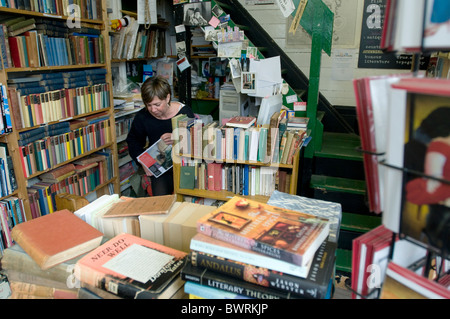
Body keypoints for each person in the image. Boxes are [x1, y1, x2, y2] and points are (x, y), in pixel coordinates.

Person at [126, 76, 195, 196]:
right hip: (160, 167)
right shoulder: (143, 116)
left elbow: (197, 142)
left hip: (185, 163)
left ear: (167, 97)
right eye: (149, 105)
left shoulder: (184, 112)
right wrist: (143, 162)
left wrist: (178, 137)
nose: (153, 109)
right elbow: (133, 141)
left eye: (157, 104)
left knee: (188, 197)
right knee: (161, 199)